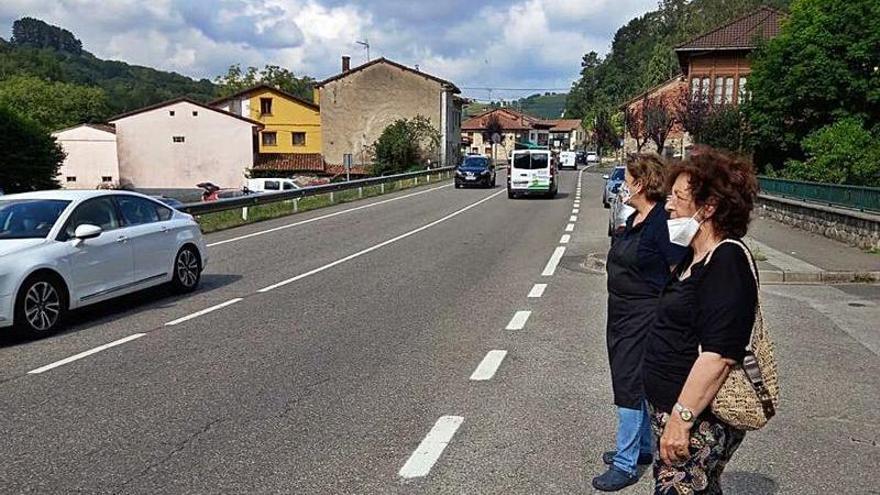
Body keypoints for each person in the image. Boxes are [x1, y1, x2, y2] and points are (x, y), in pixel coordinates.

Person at [643, 147, 759, 494]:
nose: (668, 205)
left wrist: (681, 419)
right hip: (671, 406)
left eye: (679, 197)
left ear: (708, 208)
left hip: (694, 417)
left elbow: (719, 355)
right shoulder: (694, 257)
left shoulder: (727, 261)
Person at [593, 154, 688, 492]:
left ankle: (625, 462)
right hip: (621, 313)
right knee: (632, 381)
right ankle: (644, 448)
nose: (623, 186)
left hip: (644, 316)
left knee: (629, 386)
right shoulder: (634, 218)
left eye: (629, 179)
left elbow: (680, 268)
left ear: (643, 183)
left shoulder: (661, 224)